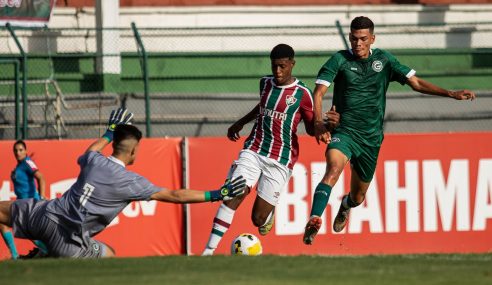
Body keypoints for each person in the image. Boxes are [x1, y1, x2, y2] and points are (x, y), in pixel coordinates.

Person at [303, 16, 476, 245]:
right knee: (333, 168)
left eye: (363, 39)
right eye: (354, 39)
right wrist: (317, 122)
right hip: (344, 132)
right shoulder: (339, 60)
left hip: (371, 140)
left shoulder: (385, 61)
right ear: (349, 38)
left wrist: (450, 93)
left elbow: (416, 83)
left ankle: (346, 206)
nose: (358, 44)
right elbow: (319, 93)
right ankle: (314, 219)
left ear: (372, 39)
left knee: (358, 196)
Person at [0, 108, 246, 258]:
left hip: (45, 214)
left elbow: (90, 150)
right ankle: (44, 257)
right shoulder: (131, 182)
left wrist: (109, 131)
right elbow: (175, 195)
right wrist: (217, 193)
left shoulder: (93, 161)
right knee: (109, 256)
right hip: (70, 241)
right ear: (133, 151)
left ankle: (38, 257)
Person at [201, 44, 340, 255]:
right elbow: (263, 106)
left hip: (280, 159)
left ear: (292, 65)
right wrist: (241, 122)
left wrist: (328, 126)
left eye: (282, 67)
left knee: (257, 219)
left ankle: (268, 213)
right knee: (233, 195)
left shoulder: (302, 94)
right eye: (274, 66)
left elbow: (312, 129)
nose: (278, 72)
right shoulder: (265, 83)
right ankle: (208, 252)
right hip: (254, 149)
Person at [1, 140, 48, 259]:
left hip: (29, 204)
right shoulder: (20, 165)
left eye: (21, 150)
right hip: (21, 203)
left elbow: (41, 177)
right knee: (3, 223)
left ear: (26, 151)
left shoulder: (27, 162)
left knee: (28, 231)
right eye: (15, 150)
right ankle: (16, 256)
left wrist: (41, 198)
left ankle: (46, 251)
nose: (18, 152)